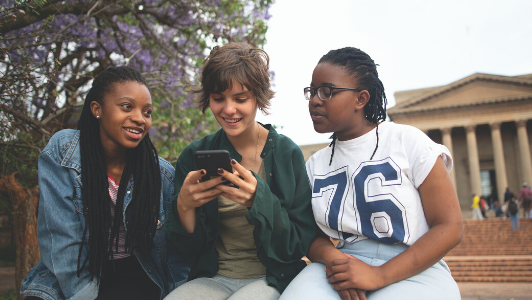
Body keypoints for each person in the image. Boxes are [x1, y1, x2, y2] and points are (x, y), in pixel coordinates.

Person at [281, 47, 462, 300]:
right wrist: (338, 263)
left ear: (361, 99)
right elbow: (312, 236)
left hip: (416, 267)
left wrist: (378, 275)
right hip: (343, 263)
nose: (314, 100)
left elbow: (450, 226)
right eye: (312, 91)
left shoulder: (407, 141)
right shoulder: (314, 165)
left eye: (327, 91)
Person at [20, 67, 189, 300]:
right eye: (127, 106)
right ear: (97, 109)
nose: (140, 118)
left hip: (138, 272)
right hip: (74, 269)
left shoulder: (160, 174)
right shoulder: (64, 154)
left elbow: (175, 251)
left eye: (147, 111)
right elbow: (62, 240)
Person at [164, 43, 316, 300]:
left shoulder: (286, 152)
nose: (229, 109)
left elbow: (297, 244)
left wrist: (259, 201)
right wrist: (185, 205)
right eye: (218, 98)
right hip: (213, 277)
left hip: (271, 276)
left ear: (258, 97)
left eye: (241, 99)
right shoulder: (194, 155)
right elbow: (187, 248)